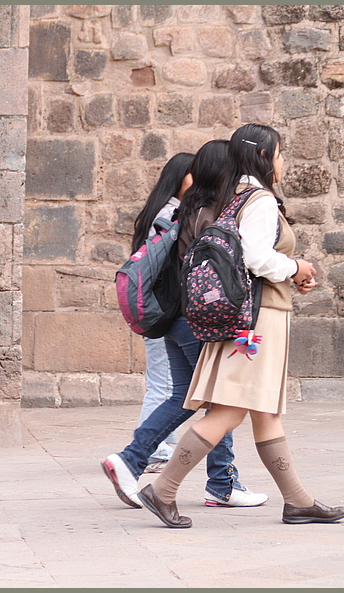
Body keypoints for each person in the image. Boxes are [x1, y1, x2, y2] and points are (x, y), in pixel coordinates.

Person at [137, 124, 344, 528]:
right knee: (230, 411)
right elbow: (255, 256)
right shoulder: (261, 199)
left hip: (253, 316)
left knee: (265, 411)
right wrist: (296, 266)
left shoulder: (234, 197)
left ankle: (298, 501)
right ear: (265, 156)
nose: (284, 162)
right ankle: (162, 489)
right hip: (259, 319)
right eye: (281, 153)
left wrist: (290, 274)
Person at [102, 141, 268, 509]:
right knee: (218, 400)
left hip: (176, 319)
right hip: (198, 322)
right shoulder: (211, 215)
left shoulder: (184, 212)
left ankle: (130, 460)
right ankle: (222, 484)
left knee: (184, 396)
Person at [129, 152, 194, 471]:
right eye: (192, 176)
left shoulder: (157, 212)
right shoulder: (171, 215)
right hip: (164, 310)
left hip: (155, 309)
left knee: (165, 382)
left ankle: (161, 442)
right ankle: (150, 447)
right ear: (178, 178)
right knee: (163, 384)